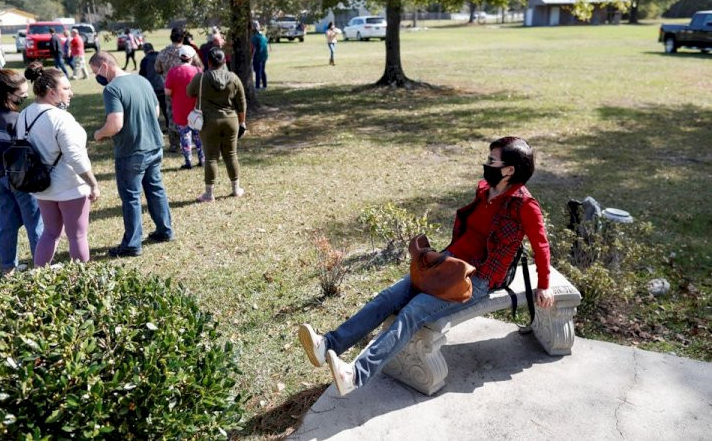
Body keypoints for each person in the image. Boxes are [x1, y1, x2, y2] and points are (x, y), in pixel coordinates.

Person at [298, 137, 555, 396]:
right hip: (447, 264)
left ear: (509, 170)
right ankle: (327, 344)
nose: (486, 164)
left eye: (491, 160)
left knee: (412, 312)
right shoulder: (485, 190)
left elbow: (541, 246)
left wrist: (544, 285)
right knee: (389, 297)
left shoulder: (524, 205)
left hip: (477, 280)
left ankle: (354, 375)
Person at [90, 51, 174, 257]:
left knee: (131, 197)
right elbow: (155, 111)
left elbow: (115, 124)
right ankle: (165, 230)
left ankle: (132, 243)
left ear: (104, 66)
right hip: (154, 145)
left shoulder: (112, 89)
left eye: (95, 71)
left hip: (131, 151)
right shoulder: (142, 80)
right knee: (156, 189)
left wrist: (99, 134)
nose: (96, 76)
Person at [19, 63, 100, 267]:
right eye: (65, 89)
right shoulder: (61, 118)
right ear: (51, 91)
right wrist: (93, 183)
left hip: (41, 186)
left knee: (50, 232)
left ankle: (39, 277)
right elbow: (75, 157)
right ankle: (80, 280)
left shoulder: (24, 115)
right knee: (77, 236)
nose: (70, 93)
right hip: (69, 186)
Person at [0, 68, 43, 275]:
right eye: (21, 94)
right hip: (20, 177)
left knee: (6, 224)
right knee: (35, 223)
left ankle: (8, 269)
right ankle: (42, 267)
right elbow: (29, 149)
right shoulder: (17, 118)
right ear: (8, 93)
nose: (24, 97)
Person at [186, 48, 246, 202]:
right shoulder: (233, 78)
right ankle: (236, 189)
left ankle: (209, 194)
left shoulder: (200, 78)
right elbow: (241, 102)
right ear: (224, 61)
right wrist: (242, 122)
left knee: (211, 158)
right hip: (230, 121)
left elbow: (189, 92)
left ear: (209, 61)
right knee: (231, 155)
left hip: (208, 121)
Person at [164, 45, 204, 169]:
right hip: (196, 108)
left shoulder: (173, 72)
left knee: (185, 136)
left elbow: (167, 92)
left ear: (180, 57)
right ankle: (202, 159)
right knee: (198, 135)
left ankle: (188, 161)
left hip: (180, 108)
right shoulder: (198, 71)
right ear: (191, 57)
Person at [155, 27, 185, 153]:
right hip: (187, 88)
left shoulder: (163, 53)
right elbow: (199, 66)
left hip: (170, 88)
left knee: (172, 115)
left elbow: (157, 69)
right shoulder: (188, 52)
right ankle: (191, 141)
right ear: (182, 38)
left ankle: (174, 144)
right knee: (189, 113)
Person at [139, 43, 168, 131]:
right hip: (164, 87)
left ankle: (157, 129)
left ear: (145, 51)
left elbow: (142, 75)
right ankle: (168, 126)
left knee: (153, 110)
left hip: (151, 89)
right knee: (165, 108)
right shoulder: (161, 57)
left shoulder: (144, 60)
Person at [251, 21, 268, 90]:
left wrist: (251, 57)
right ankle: (264, 85)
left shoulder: (255, 37)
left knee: (257, 71)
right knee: (262, 70)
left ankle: (257, 86)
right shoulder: (263, 36)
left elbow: (254, 48)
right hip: (264, 56)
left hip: (258, 56)